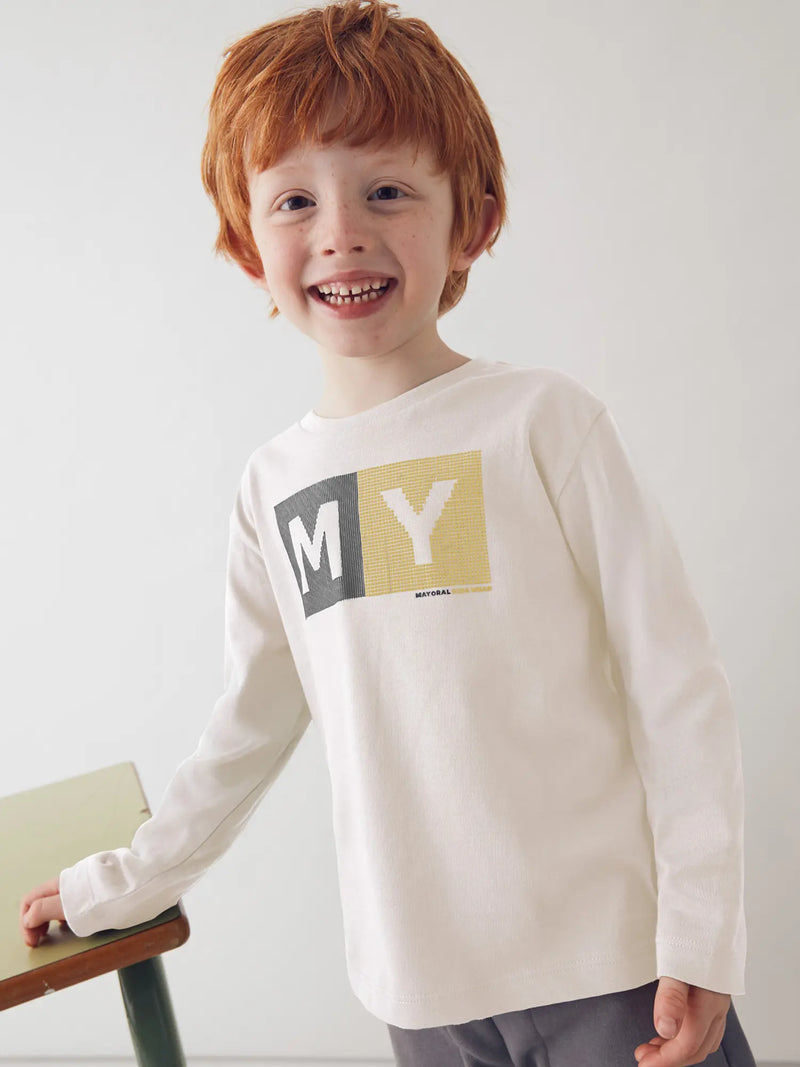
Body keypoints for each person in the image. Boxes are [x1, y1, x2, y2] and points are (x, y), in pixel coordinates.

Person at [19, 2, 758, 1065]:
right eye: (293, 199)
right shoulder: (269, 486)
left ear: (474, 218)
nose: (339, 232)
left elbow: (677, 688)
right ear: (243, 243)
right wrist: (125, 882)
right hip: (420, 994)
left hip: (615, 969)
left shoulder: (542, 423)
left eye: (385, 190)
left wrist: (700, 929)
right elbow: (247, 729)